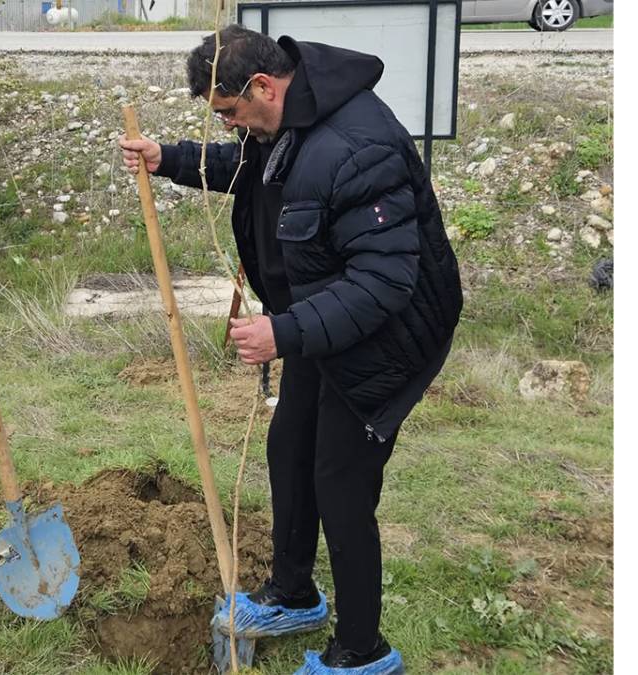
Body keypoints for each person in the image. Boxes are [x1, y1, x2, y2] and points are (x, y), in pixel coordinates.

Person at [119, 25, 462, 674]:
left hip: (387, 334)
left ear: (263, 87)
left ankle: (362, 650)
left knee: (341, 480)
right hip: (320, 319)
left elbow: (385, 281)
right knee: (290, 446)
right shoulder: (283, 121)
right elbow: (249, 167)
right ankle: (294, 593)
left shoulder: (358, 144)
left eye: (229, 112)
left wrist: (283, 331)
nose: (229, 128)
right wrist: (169, 156)